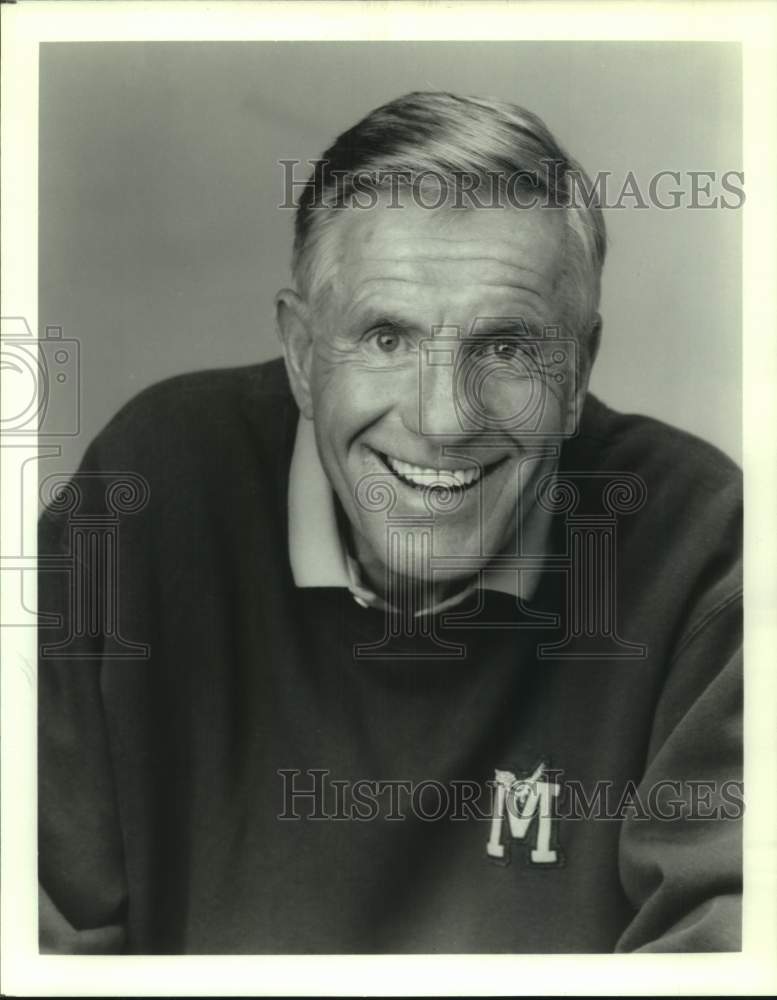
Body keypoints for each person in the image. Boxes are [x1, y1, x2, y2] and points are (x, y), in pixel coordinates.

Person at [38, 91, 742, 954]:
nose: (444, 420)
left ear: (578, 367)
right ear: (302, 355)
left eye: (508, 347)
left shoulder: (700, 543)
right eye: (385, 338)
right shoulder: (146, 493)